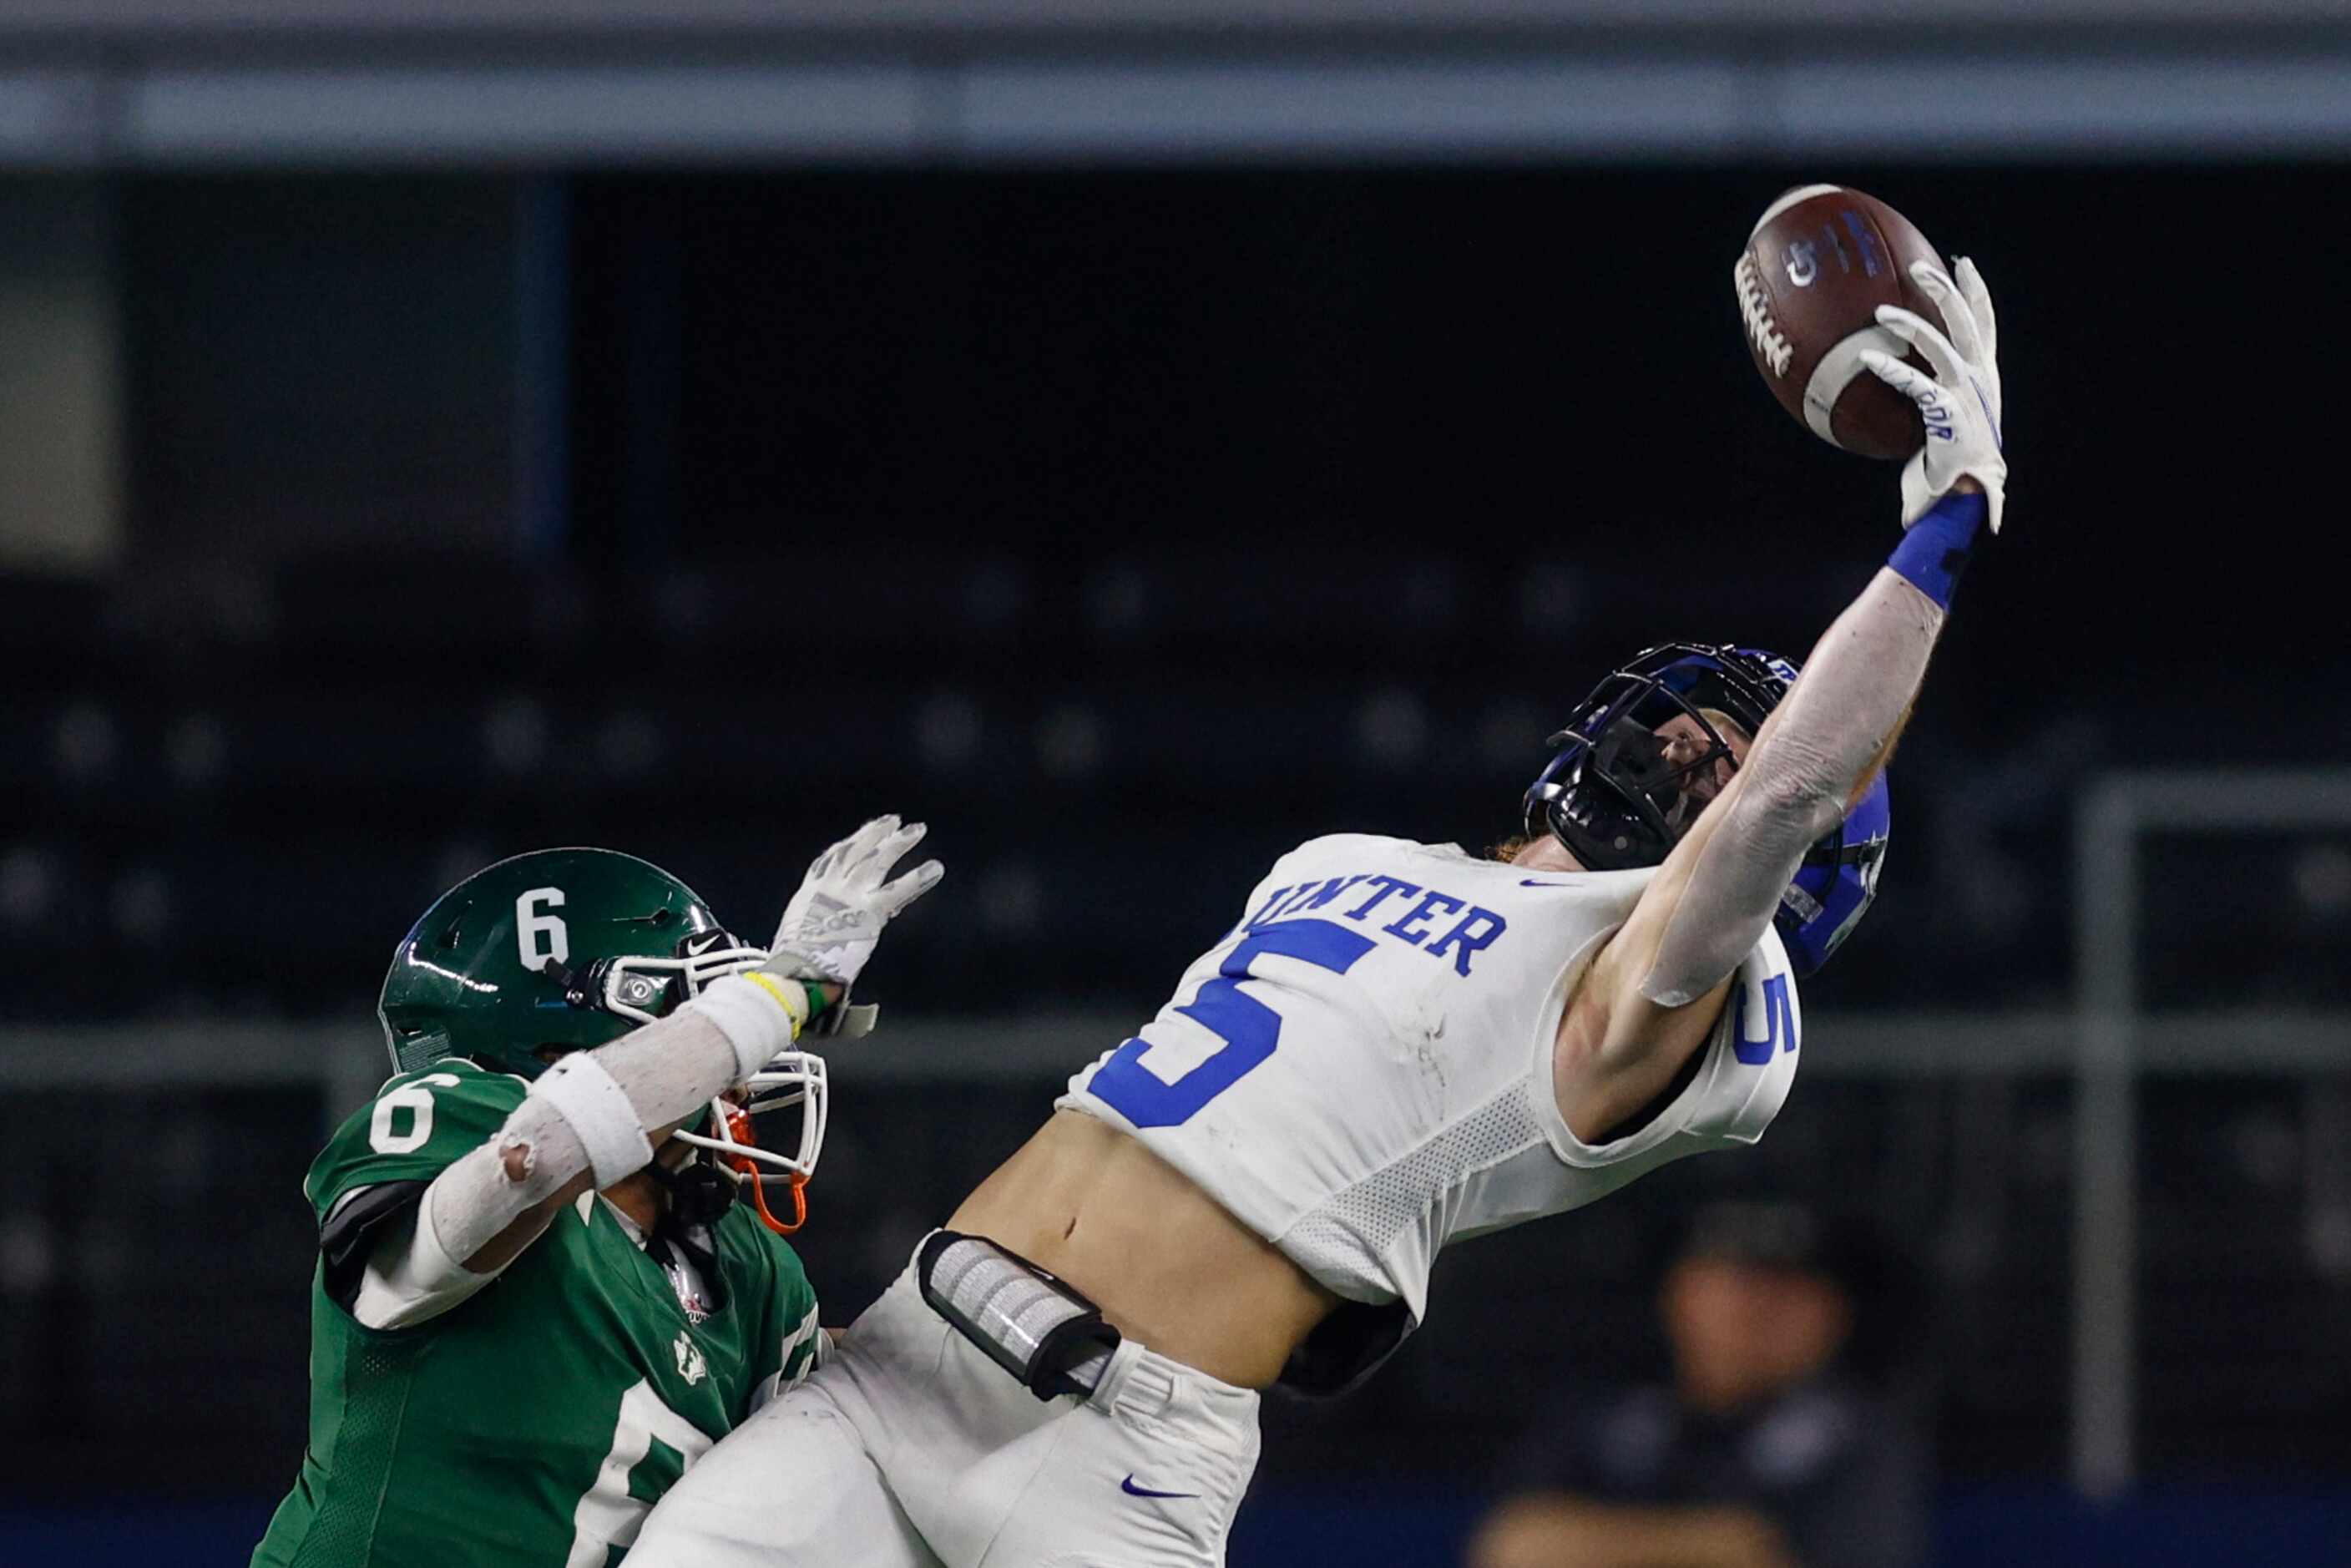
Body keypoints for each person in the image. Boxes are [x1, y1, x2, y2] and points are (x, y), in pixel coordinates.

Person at [630, 259, 2006, 1568]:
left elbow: (1791, 791)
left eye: (1730, 754)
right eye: (1698, 725)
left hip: (1109, 1449)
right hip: (907, 1351)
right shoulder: (1339, 857)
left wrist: (1943, 523)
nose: (1696, 754)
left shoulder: (1646, 999)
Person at [250, 818, 942, 1567]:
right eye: (693, 1009)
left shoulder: (743, 1265)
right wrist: (775, 996)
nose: (740, 1067)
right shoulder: (457, 1122)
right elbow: (532, 1161)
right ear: (562, 1042)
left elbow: (856, 1423)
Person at [1468, 1200, 1928, 1568]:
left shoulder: (1861, 1440)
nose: (1756, 1310)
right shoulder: (1606, 1418)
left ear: (1833, 1313)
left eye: (1787, 1289)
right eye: (1737, 1284)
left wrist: (1601, 1545)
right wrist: (1716, 1545)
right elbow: (1512, 1548)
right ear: (1677, 1294)